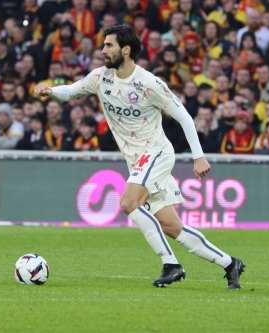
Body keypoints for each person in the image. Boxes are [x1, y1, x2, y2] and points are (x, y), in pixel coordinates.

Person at [34, 24, 245, 289]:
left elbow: (183, 116)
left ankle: (171, 264)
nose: (103, 50)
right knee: (171, 226)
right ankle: (229, 263)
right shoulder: (101, 77)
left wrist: (198, 156)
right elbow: (72, 90)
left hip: (156, 152)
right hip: (137, 160)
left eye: (108, 45)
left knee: (128, 202)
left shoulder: (149, 83)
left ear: (126, 49)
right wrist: (50, 90)